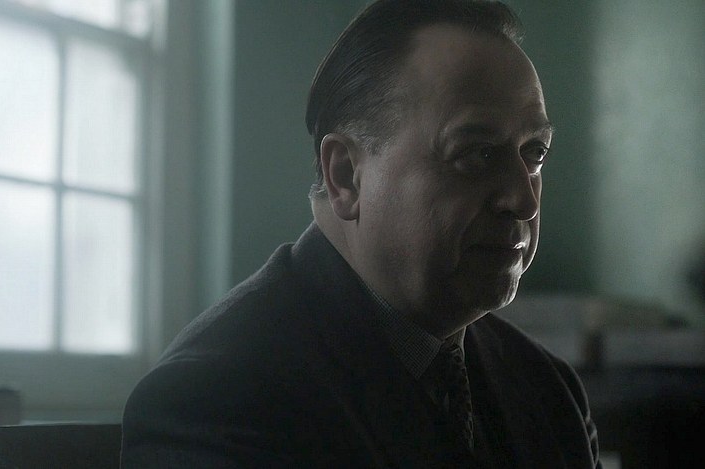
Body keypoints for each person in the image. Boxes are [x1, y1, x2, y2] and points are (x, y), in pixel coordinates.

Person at [121, 0, 601, 467]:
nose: (524, 200)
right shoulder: (216, 400)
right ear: (346, 176)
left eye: (534, 154)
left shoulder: (549, 391)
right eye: (477, 154)